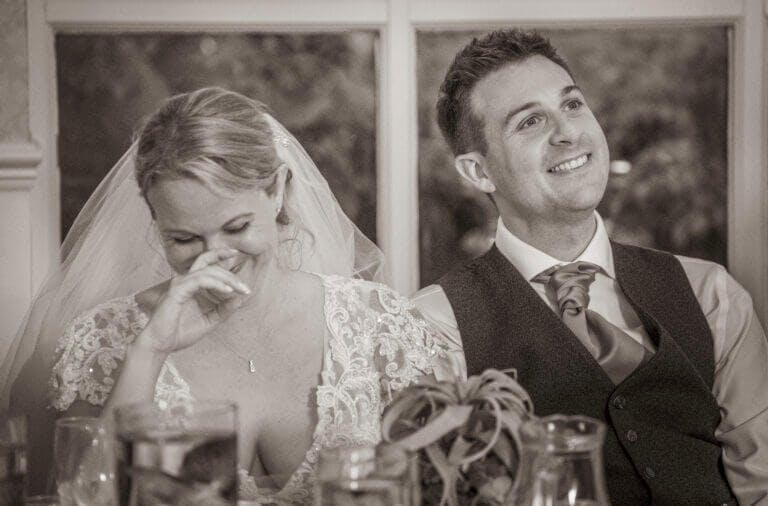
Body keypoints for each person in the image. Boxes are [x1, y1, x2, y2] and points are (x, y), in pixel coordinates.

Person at [1, 87, 458, 504]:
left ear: (277, 191)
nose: (214, 257)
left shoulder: (379, 325)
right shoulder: (101, 339)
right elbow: (85, 499)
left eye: (236, 227)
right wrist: (150, 349)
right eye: (184, 239)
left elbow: (445, 491)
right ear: (155, 220)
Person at [412, 29, 768, 504]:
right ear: (479, 171)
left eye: (573, 104)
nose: (568, 132)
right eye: (530, 121)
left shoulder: (713, 297)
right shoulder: (433, 329)